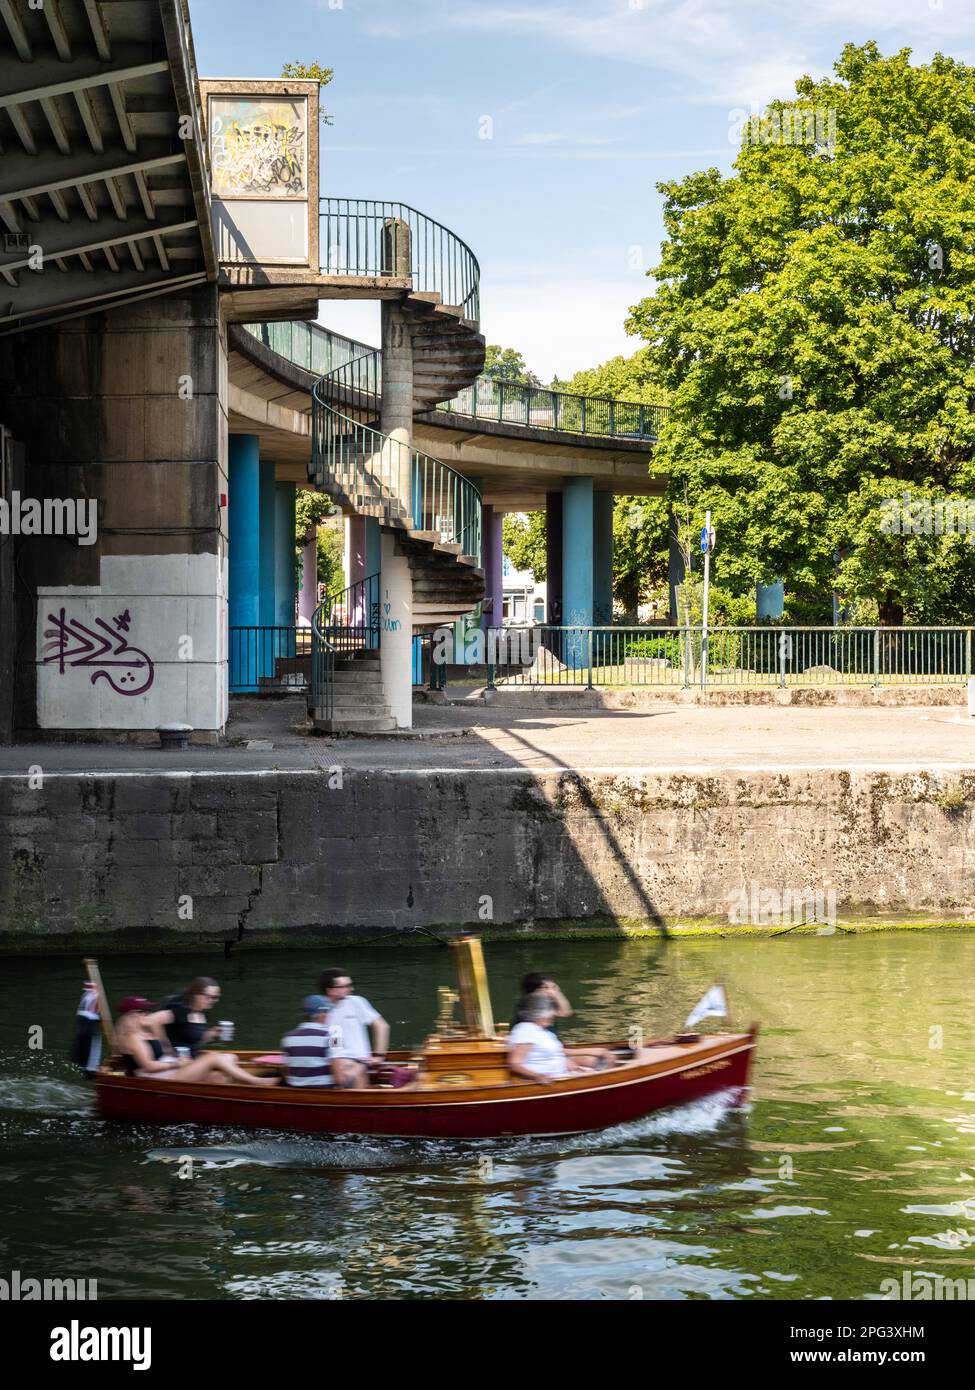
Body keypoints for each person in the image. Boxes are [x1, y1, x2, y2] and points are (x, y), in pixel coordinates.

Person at [113, 998, 275, 1086]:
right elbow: (149, 1066)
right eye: (144, 1011)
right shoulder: (133, 1037)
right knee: (213, 1056)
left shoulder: (144, 1032)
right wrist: (177, 1064)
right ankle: (255, 1082)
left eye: (148, 1010)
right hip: (157, 1078)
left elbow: (164, 1049)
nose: (148, 1013)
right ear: (132, 1015)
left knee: (223, 1070)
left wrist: (176, 1057)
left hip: (167, 1069)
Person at [511, 973, 619, 1071]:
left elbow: (565, 1012)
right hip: (548, 1057)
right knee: (593, 1060)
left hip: (554, 1052)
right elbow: (545, 1049)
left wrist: (556, 993)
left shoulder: (546, 1007)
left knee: (602, 1058)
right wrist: (589, 1051)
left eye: (553, 988)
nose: (552, 991)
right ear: (535, 991)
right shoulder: (530, 1016)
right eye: (547, 988)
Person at [319, 968, 390, 1089]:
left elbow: (382, 1026)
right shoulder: (320, 1010)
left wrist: (379, 1055)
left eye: (350, 985)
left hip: (357, 1061)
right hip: (334, 1062)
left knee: (353, 1071)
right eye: (345, 986)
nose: (351, 989)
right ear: (330, 990)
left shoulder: (356, 1002)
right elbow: (334, 1043)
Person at [506, 995, 594, 1083]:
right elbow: (514, 1063)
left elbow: (556, 1055)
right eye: (551, 1015)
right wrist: (537, 1076)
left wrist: (577, 1068)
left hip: (562, 1076)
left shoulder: (545, 1032)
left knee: (597, 1068)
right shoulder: (526, 1029)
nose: (553, 1018)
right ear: (540, 1013)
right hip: (546, 1081)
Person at [158, 977, 222, 1057]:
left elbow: (193, 1043)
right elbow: (153, 1020)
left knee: (231, 1057)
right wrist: (166, 1048)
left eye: (215, 997)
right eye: (209, 997)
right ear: (196, 994)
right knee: (214, 1057)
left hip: (191, 1060)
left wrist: (211, 1033)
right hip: (177, 1062)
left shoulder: (201, 1014)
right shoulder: (180, 1010)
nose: (213, 1000)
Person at [281, 996, 334, 1087]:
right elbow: (339, 1071)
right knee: (357, 1070)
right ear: (322, 1015)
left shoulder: (288, 1037)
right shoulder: (334, 1035)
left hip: (296, 1090)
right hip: (326, 1090)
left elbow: (287, 1071)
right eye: (328, 1012)